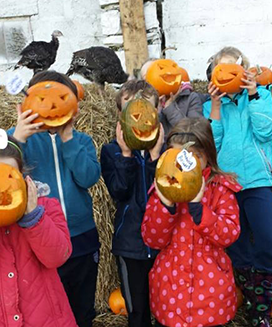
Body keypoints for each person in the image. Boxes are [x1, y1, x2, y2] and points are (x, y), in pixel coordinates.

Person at [9, 70, 101, 327]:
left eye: (60, 97)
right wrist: (18, 137)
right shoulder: (15, 140)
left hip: (81, 237)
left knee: (82, 309)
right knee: (48, 311)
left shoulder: (82, 141)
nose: (50, 105)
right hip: (41, 242)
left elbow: (88, 177)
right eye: (42, 97)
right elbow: (0, 174)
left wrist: (68, 139)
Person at [203, 46, 272, 327]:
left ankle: (263, 309)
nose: (226, 76)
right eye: (219, 71)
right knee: (236, 246)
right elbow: (213, 145)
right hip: (227, 186)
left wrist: (253, 93)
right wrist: (214, 106)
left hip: (258, 181)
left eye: (231, 70)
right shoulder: (211, 106)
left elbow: (266, 131)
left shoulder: (261, 96)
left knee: (267, 242)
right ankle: (253, 307)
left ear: (243, 71)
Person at [141, 117, 242, 327]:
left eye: (192, 157)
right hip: (170, 292)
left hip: (210, 297)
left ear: (207, 155)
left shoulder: (220, 189)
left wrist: (200, 211)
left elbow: (229, 234)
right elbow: (152, 239)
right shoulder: (162, 188)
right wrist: (165, 206)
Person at [0, 135, 77, 327]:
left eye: (10, 174)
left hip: (47, 320)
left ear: (23, 176)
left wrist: (34, 218)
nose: (0, 186)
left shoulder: (46, 208)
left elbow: (57, 256)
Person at [100, 79, 165, 327]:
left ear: (156, 112)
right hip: (129, 244)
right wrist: (126, 154)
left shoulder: (167, 149)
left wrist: (155, 156)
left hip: (162, 244)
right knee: (137, 312)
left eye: (145, 107)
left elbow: (164, 192)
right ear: (120, 114)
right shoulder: (110, 151)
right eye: (130, 108)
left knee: (164, 306)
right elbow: (119, 190)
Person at [140, 58, 204, 137]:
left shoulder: (190, 98)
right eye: (146, 78)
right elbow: (145, 137)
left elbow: (194, 133)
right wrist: (156, 111)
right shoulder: (141, 106)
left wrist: (170, 107)